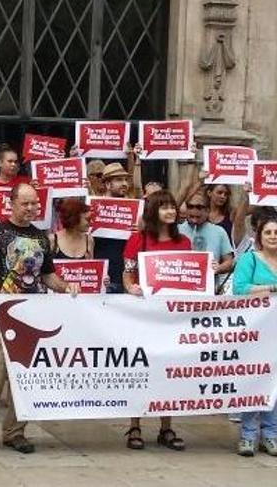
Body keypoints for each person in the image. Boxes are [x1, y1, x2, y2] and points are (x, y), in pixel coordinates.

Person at [0, 183, 79, 456]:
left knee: (23, 382)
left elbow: (47, 274)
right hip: (0, 319)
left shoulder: (41, 238)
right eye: (25, 203)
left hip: (31, 323)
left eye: (34, 204)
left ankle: (15, 432)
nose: (30, 209)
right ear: (11, 204)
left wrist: (65, 286)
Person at [122, 189, 190, 451]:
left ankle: (166, 427)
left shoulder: (183, 242)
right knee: (139, 369)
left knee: (169, 369)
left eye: (172, 206)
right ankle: (135, 424)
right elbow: (127, 274)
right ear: (152, 211)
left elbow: (188, 276)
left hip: (172, 318)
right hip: (143, 315)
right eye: (164, 207)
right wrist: (131, 288)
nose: (170, 211)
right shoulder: (138, 239)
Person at [231, 215, 277, 457]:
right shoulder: (250, 259)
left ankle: (270, 435)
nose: (273, 236)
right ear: (259, 236)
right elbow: (239, 289)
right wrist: (271, 289)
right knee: (254, 381)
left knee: (275, 386)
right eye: (268, 232)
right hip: (253, 333)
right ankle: (248, 435)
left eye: (276, 232)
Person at [93, 162, 138, 293]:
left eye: (125, 179)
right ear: (107, 184)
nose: (124, 183)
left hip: (126, 276)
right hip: (103, 275)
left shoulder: (134, 208)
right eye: (119, 180)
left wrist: (138, 232)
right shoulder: (94, 206)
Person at [179, 191, 234, 291]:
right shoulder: (176, 231)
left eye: (199, 207)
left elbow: (229, 261)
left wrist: (219, 268)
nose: (194, 210)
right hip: (180, 288)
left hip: (208, 291)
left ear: (208, 210)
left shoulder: (219, 231)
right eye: (190, 206)